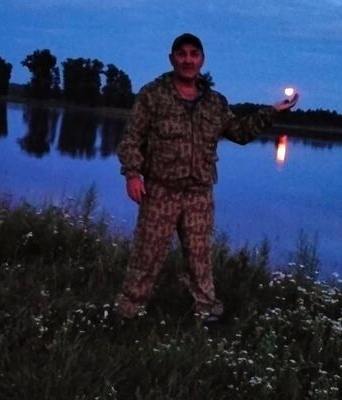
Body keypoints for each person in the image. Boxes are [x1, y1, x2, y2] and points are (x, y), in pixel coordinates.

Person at [115, 33, 299, 322]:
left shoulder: (214, 102)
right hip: (160, 191)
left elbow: (239, 132)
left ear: (202, 59)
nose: (188, 60)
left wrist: (272, 112)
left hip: (199, 194)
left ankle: (206, 312)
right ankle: (128, 313)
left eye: (194, 54)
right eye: (182, 54)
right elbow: (131, 139)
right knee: (146, 255)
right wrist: (132, 174)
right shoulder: (152, 95)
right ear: (172, 59)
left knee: (199, 257)